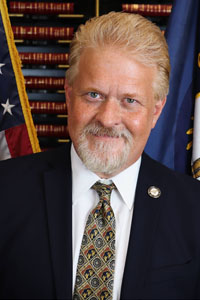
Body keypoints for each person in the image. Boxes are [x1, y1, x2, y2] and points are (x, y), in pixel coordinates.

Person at [0, 11, 200, 300]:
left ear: (155, 111)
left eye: (130, 101)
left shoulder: (194, 211)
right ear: (68, 96)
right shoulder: (5, 191)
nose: (107, 119)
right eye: (93, 95)